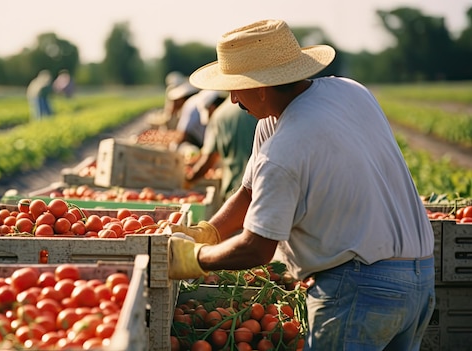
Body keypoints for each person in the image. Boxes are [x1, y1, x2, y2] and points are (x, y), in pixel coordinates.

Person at [168, 19, 435, 350]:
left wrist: (198, 258)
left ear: (261, 86)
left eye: (235, 87)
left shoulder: (284, 149)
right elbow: (250, 192)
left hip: (359, 288)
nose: (233, 99)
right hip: (420, 276)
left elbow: (257, 247)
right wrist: (209, 230)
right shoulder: (349, 91)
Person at [186, 96, 274, 201]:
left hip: (236, 189)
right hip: (265, 187)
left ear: (211, 108)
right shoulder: (264, 109)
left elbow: (208, 161)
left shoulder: (219, 115)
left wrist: (188, 179)